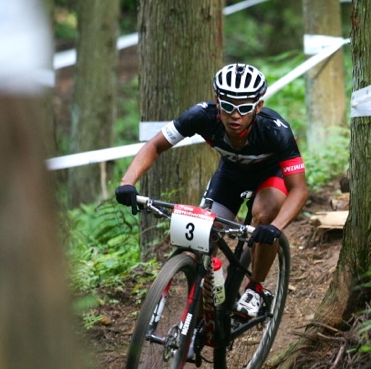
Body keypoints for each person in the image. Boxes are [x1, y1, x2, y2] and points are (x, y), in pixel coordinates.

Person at [115, 63, 308, 318]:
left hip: (270, 176)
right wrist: (127, 182)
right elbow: (155, 146)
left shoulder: (275, 130)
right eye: (228, 106)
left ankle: (256, 288)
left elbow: (299, 190)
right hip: (230, 175)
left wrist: (276, 227)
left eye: (244, 108)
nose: (235, 115)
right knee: (204, 233)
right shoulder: (200, 116)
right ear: (217, 102)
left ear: (258, 107)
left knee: (264, 215)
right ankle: (204, 301)